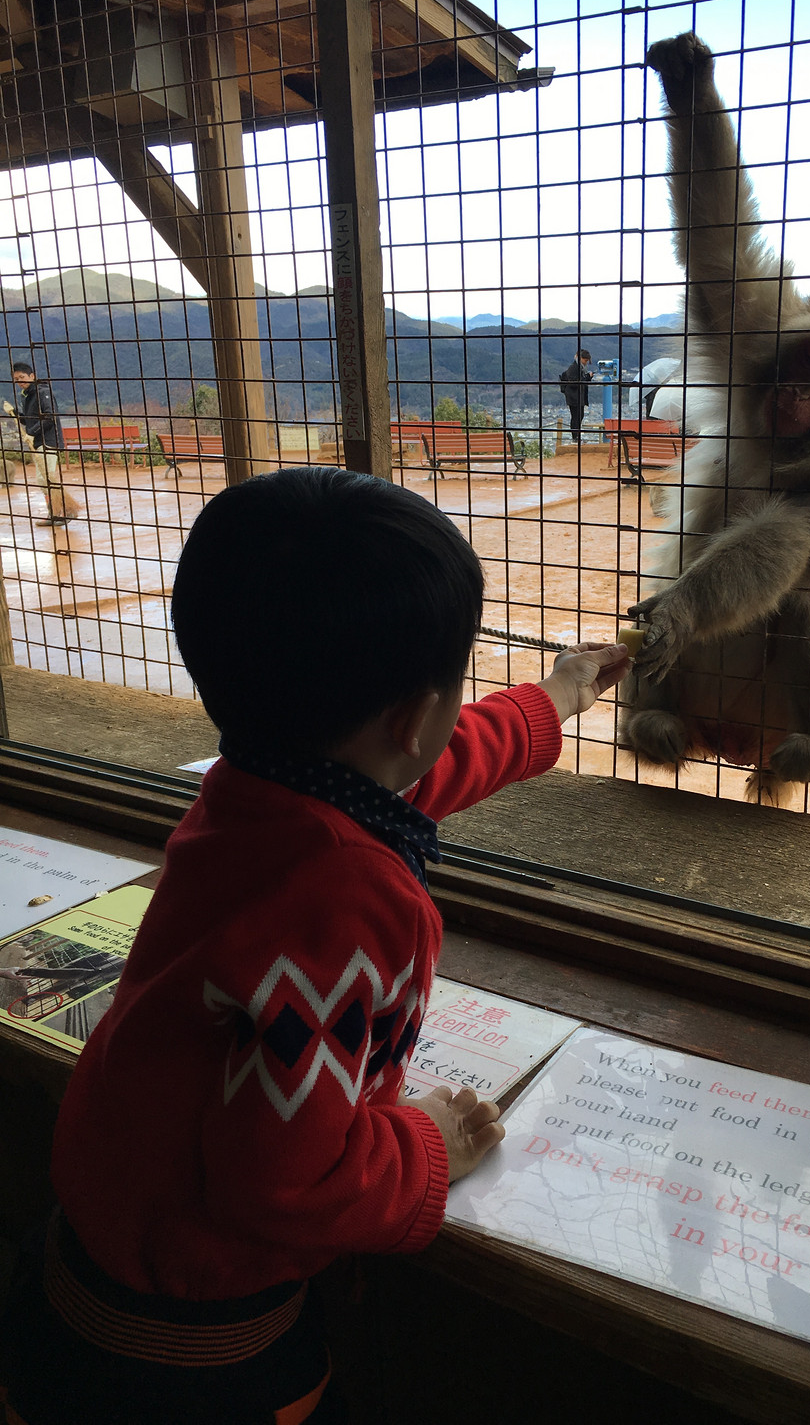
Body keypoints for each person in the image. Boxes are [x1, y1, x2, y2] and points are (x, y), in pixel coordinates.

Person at [0, 466, 630, 1425]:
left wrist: (551, 700)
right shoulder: (345, 904)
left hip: (79, 1274)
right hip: (197, 1356)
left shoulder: (256, 785)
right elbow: (287, 1184)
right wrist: (430, 1145)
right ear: (415, 715)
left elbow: (416, 768)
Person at [4, 362, 80, 525]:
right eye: (16, 379)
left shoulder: (42, 392)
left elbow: (49, 416)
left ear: (32, 376)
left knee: (45, 478)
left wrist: (31, 433)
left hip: (49, 441)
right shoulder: (27, 395)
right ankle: (55, 513)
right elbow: (29, 421)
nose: (20, 382)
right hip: (39, 441)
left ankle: (64, 512)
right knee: (44, 479)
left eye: (22, 377)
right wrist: (15, 413)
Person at [558, 348, 593, 442]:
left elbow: (581, 381)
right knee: (576, 416)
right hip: (574, 396)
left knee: (580, 416)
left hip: (579, 396)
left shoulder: (580, 368)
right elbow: (574, 383)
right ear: (581, 358)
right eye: (585, 360)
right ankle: (575, 437)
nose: (586, 363)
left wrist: (587, 378)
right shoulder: (573, 368)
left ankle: (577, 435)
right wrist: (586, 378)